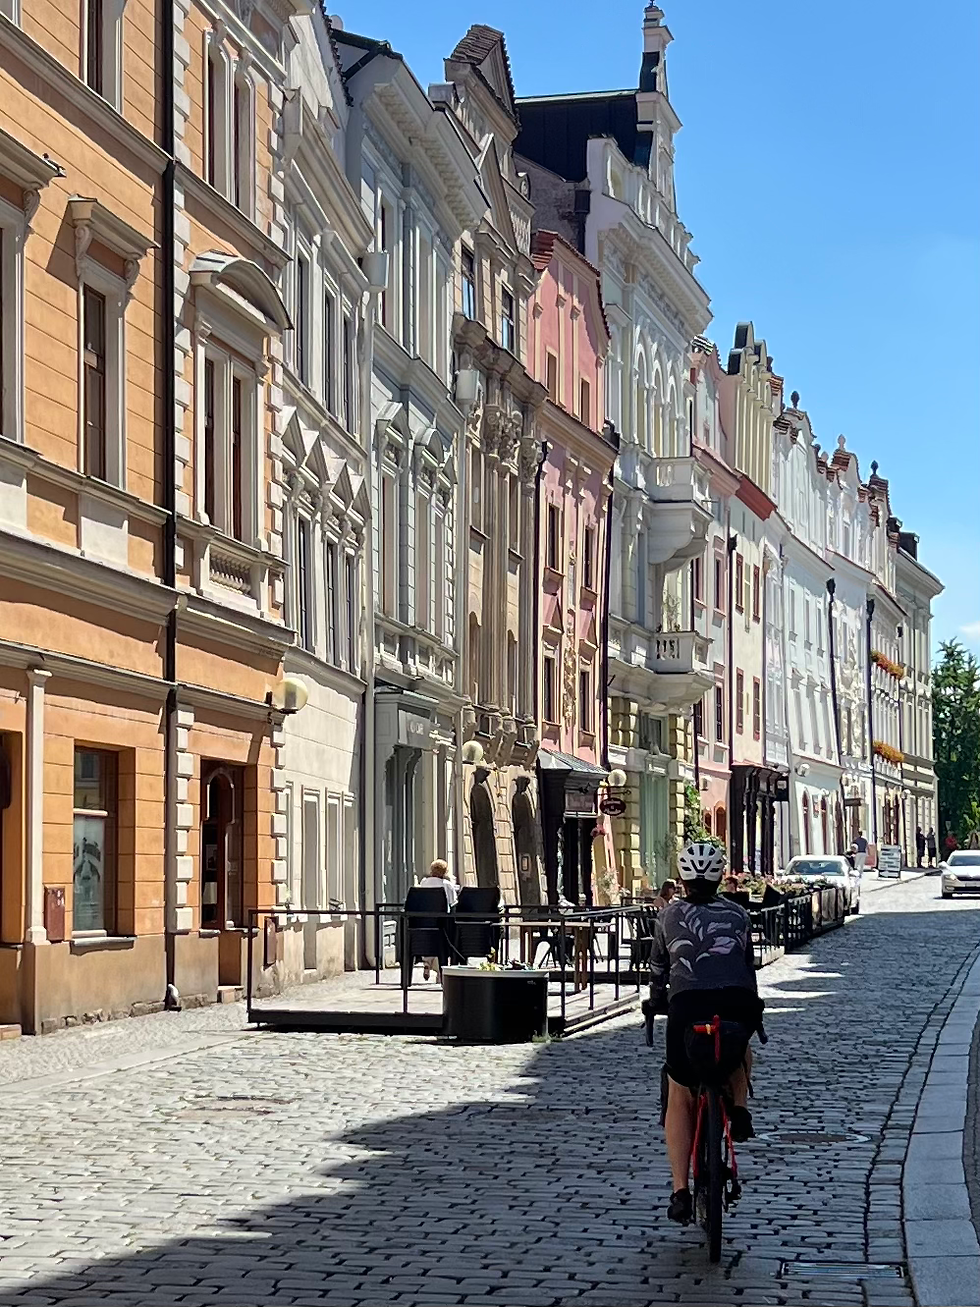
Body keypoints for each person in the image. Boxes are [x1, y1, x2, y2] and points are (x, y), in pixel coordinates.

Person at [642, 842, 764, 1227]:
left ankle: (680, 1190)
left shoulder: (668, 916)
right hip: (735, 1002)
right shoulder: (739, 915)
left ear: (681, 879)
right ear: (718, 879)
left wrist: (656, 1002)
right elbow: (747, 966)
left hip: (688, 1006)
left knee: (679, 1090)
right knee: (739, 1046)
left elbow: (659, 968)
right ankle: (740, 1108)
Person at [417, 859, 457, 981]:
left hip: (424, 923)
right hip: (441, 923)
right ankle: (440, 973)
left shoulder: (423, 883)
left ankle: (427, 962)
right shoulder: (447, 885)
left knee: (429, 940)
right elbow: (453, 903)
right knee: (443, 941)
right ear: (445, 872)